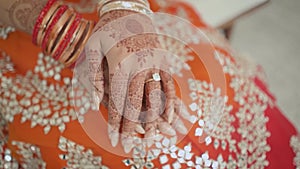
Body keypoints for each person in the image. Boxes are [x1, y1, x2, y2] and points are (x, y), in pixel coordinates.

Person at [0, 0, 299, 168]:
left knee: (211, 97)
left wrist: (125, 10)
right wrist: (72, 38)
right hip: (19, 28)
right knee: (142, 148)